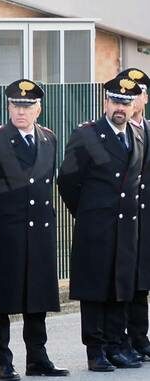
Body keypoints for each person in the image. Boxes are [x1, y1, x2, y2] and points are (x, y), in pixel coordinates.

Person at [0, 79, 68, 380]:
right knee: (1, 300)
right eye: (16, 105)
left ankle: (37, 357)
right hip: (8, 230)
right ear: (8, 107)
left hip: (40, 230)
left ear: (38, 109)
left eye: (28, 106)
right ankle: (3, 362)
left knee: (38, 298)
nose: (21, 111)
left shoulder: (49, 138)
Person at [58, 76, 144, 372]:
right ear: (105, 102)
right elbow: (67, 181)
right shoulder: (87, 135)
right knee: (95, 287)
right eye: (116, 101)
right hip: (95, 225)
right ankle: (95, 350)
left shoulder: (138, 134)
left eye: (126, 102)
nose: (121, 107)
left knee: (121, 285)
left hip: (126, 227)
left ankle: (117, 345)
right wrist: (86, 212)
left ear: (134, 106)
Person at [121, 67, 150, 361]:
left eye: (139, 93)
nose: (135, 98)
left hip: (145, 217)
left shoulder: (148, 129)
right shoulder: (117, 131)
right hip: (124, 215)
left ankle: (140, 337)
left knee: (142, 281)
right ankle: (124, 339)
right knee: (124, 279)